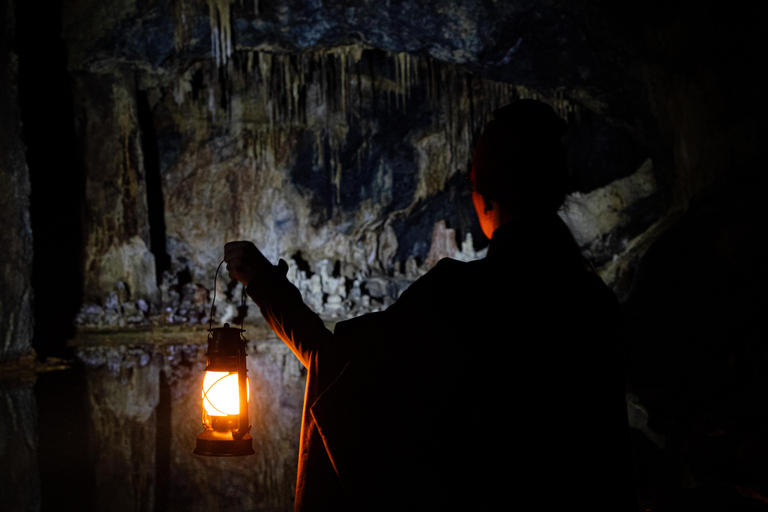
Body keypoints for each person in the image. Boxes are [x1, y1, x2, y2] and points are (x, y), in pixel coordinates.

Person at [225, 99, 635, 511]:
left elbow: (341, 370)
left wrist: (265, 285)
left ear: (485, 200)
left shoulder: (457, 299)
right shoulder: (592, 303)